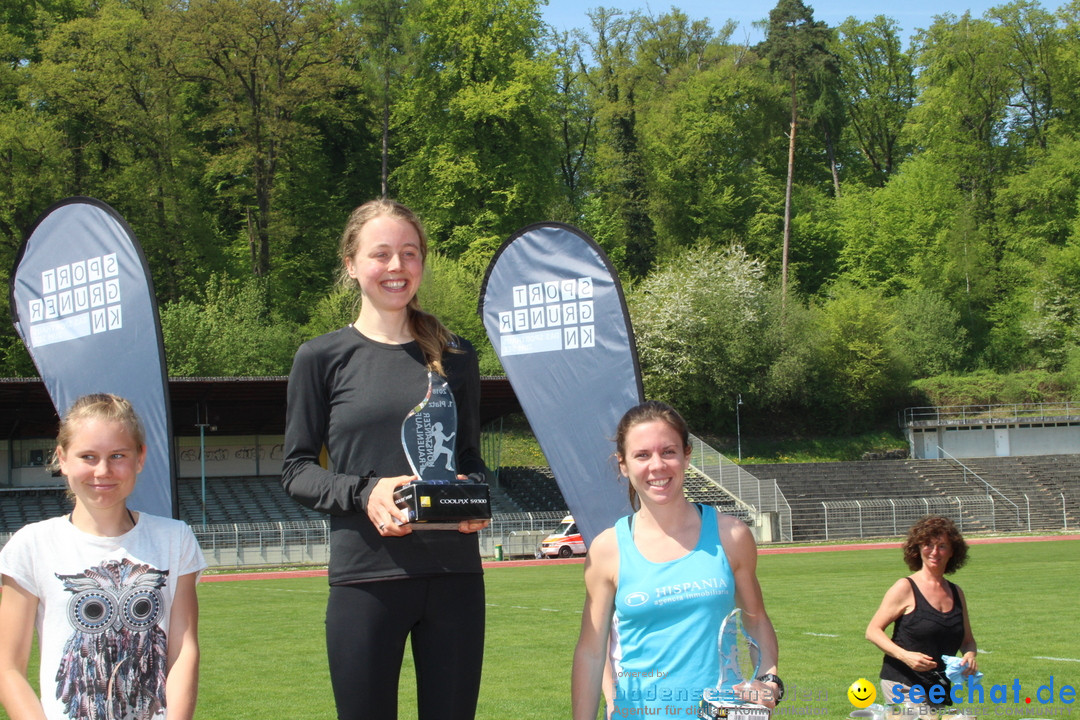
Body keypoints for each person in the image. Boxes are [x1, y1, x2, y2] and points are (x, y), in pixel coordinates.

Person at [281, 198, 489, 720]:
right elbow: (297, 470)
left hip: (454, 576)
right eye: (381, 254)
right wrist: (365, 491)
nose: (396, 267)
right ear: (351, 264)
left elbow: (470, 458)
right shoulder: (320, 358)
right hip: (365, 579)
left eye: (409, 253)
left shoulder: (456, 356)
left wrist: (474, 497)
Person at [571, 401, 782, 720]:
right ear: (623, 464)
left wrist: (769, 680)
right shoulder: (607, 549)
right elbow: (591, 652)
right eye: (642, 455)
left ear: (686, 455)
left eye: (668, 451)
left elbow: (756, 620)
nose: (657, 465)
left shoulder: (731, 536)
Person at [0, 393, 205, 720]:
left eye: (118, 455)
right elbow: (7, 667)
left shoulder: (174, 539)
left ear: (140, 458)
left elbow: (183, 651)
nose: (103, 470)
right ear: (62, 459)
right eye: (88, 456)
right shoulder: (31, 546)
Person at [866, 515, 978, 714]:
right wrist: (905, 656)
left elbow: (967, 641)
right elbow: (873, 631)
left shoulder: (956, 593)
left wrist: (969, 655)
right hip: (903, 680)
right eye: (928, 545)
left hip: (937, 686)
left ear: (952, 552)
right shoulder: (905, 587)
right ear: (917, 549)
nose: (935, 552)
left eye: (942, 546)